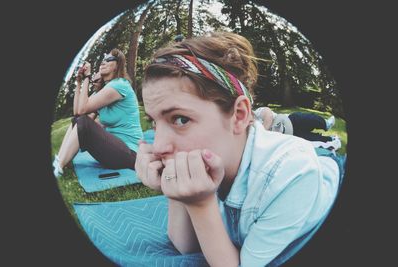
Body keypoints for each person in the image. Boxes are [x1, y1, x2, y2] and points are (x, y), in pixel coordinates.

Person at [135, 32, 345, 266]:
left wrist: (201, 204)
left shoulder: (291, 174)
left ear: (239, 115)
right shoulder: (209, 157)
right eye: (154, 122)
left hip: (325, 170)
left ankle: (321, 142)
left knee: (315, 147)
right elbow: (186, 247)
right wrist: (176, 190)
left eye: (180, 119)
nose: (160, 145)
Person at [53, 49, 143, 178]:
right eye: (102, 60)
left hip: (130, 154)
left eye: (109, 59)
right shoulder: (102, 93)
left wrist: (87, 78)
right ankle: (60, 161)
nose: (103, 62)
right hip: (113, 151)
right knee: (79, 121)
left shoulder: (119, 85)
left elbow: (82, 111)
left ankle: (59, 167)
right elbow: (77, 114)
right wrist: (79, 82)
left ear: (117, 65)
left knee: (83, 121)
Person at [254, 106, 341, 150]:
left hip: (289, 121)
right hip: (288, 136)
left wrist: (264, 133)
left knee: (309, 119)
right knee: (309, 140)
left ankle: (325, 124)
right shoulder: (252, 132)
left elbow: (268, 113)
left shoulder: (256, 114)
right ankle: (330, 139)